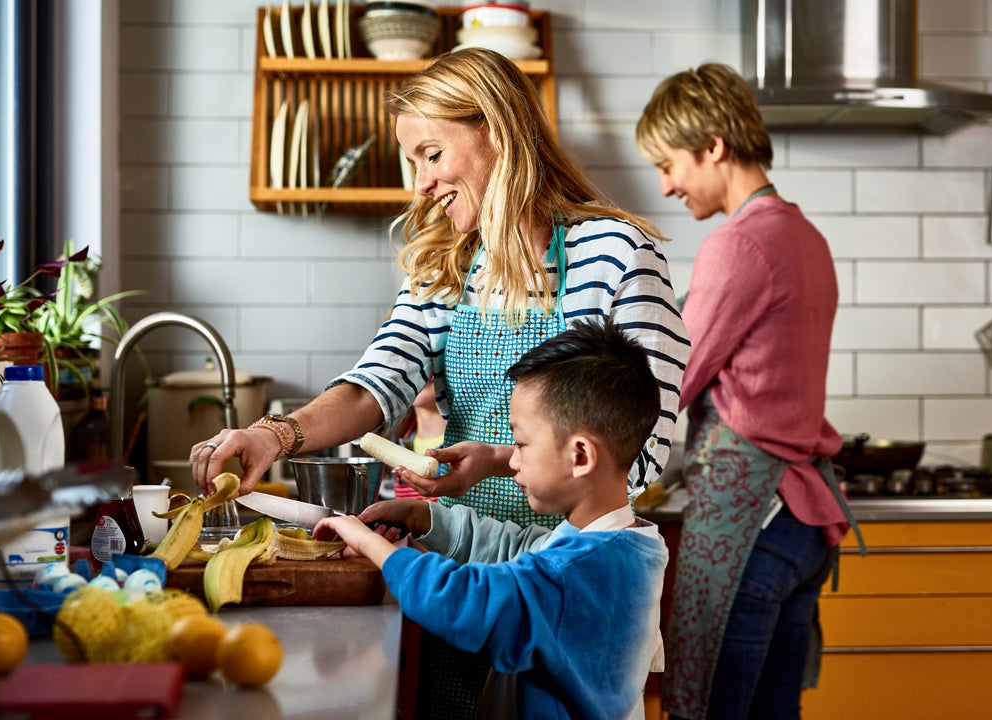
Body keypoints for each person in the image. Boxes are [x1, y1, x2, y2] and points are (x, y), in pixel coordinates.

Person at [192, 47, 689, 718]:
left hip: (568, 590)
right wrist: (272, 436)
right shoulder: (443, 265)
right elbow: (379, 383)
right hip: (456, 575)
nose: (420, 185)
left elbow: (641, 448)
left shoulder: (619, 254)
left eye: (431, 154)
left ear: (494, 130)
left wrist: (507, 470)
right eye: (413, 163)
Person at [635, 63, 859, 720]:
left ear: (713, 146)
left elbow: (671, 377)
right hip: (801, 526)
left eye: (669, 163)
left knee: (707, 712)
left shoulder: (737, 245)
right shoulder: (806, 237)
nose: (666, 183)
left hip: (750, 522)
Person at [317, 318, 668, 720]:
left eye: (520, 444)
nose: (511, 461)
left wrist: (366, 542)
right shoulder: (625, 543)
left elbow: (462, 599)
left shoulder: (575, 571)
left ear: (581, 456)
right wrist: (425, 516)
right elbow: (516, 548)